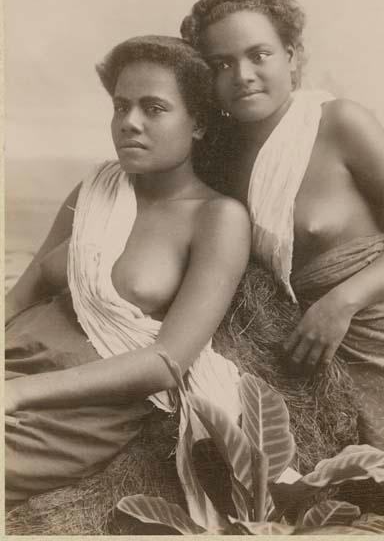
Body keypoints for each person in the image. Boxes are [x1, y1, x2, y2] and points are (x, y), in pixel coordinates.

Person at [5, 35, 251, 505]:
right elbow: (26, 289)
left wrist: (17, 395)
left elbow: (167, 362)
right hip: (17, 354)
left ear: (197, 124)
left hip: (78, 406)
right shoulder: (96, 189)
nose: (129, 123)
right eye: (121, 107)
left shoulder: (216, 218)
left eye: (154, 108)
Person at [181, 0, 384, 450]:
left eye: (259, 54)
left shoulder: (339, 123)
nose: (242, 74)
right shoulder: (215, 157)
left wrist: (341, 303)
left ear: (291, 55)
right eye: (221, 63)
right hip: (300, 359)